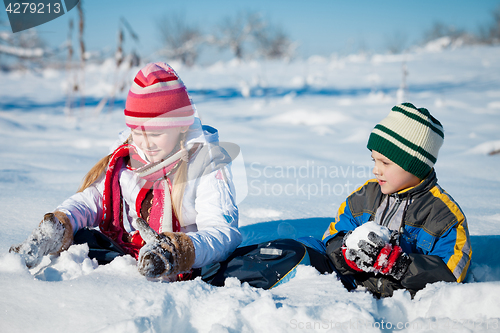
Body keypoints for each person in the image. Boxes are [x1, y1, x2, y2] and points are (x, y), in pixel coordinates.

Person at [10, 62, 242, 281]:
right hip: (132, 259)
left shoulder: (206, 164)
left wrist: (177, 250)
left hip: (186, 269)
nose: (144, 143)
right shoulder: (126, 158)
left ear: (182, 125)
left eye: (156, 133)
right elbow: (93, 200)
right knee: (82, 239)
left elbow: (222, 233)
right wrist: (64, 222)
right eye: (137, 132)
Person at [322, 102, 472, 297]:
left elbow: (454, 273)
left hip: (401, 305)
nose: (376, 169)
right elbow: (331, 236)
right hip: (353, 292)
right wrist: (345, 253)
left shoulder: (444, 215)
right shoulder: (365, 195)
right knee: (300, 249)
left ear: (415, 166)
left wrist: (400, 265)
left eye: (385, 162)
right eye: (373, 160)